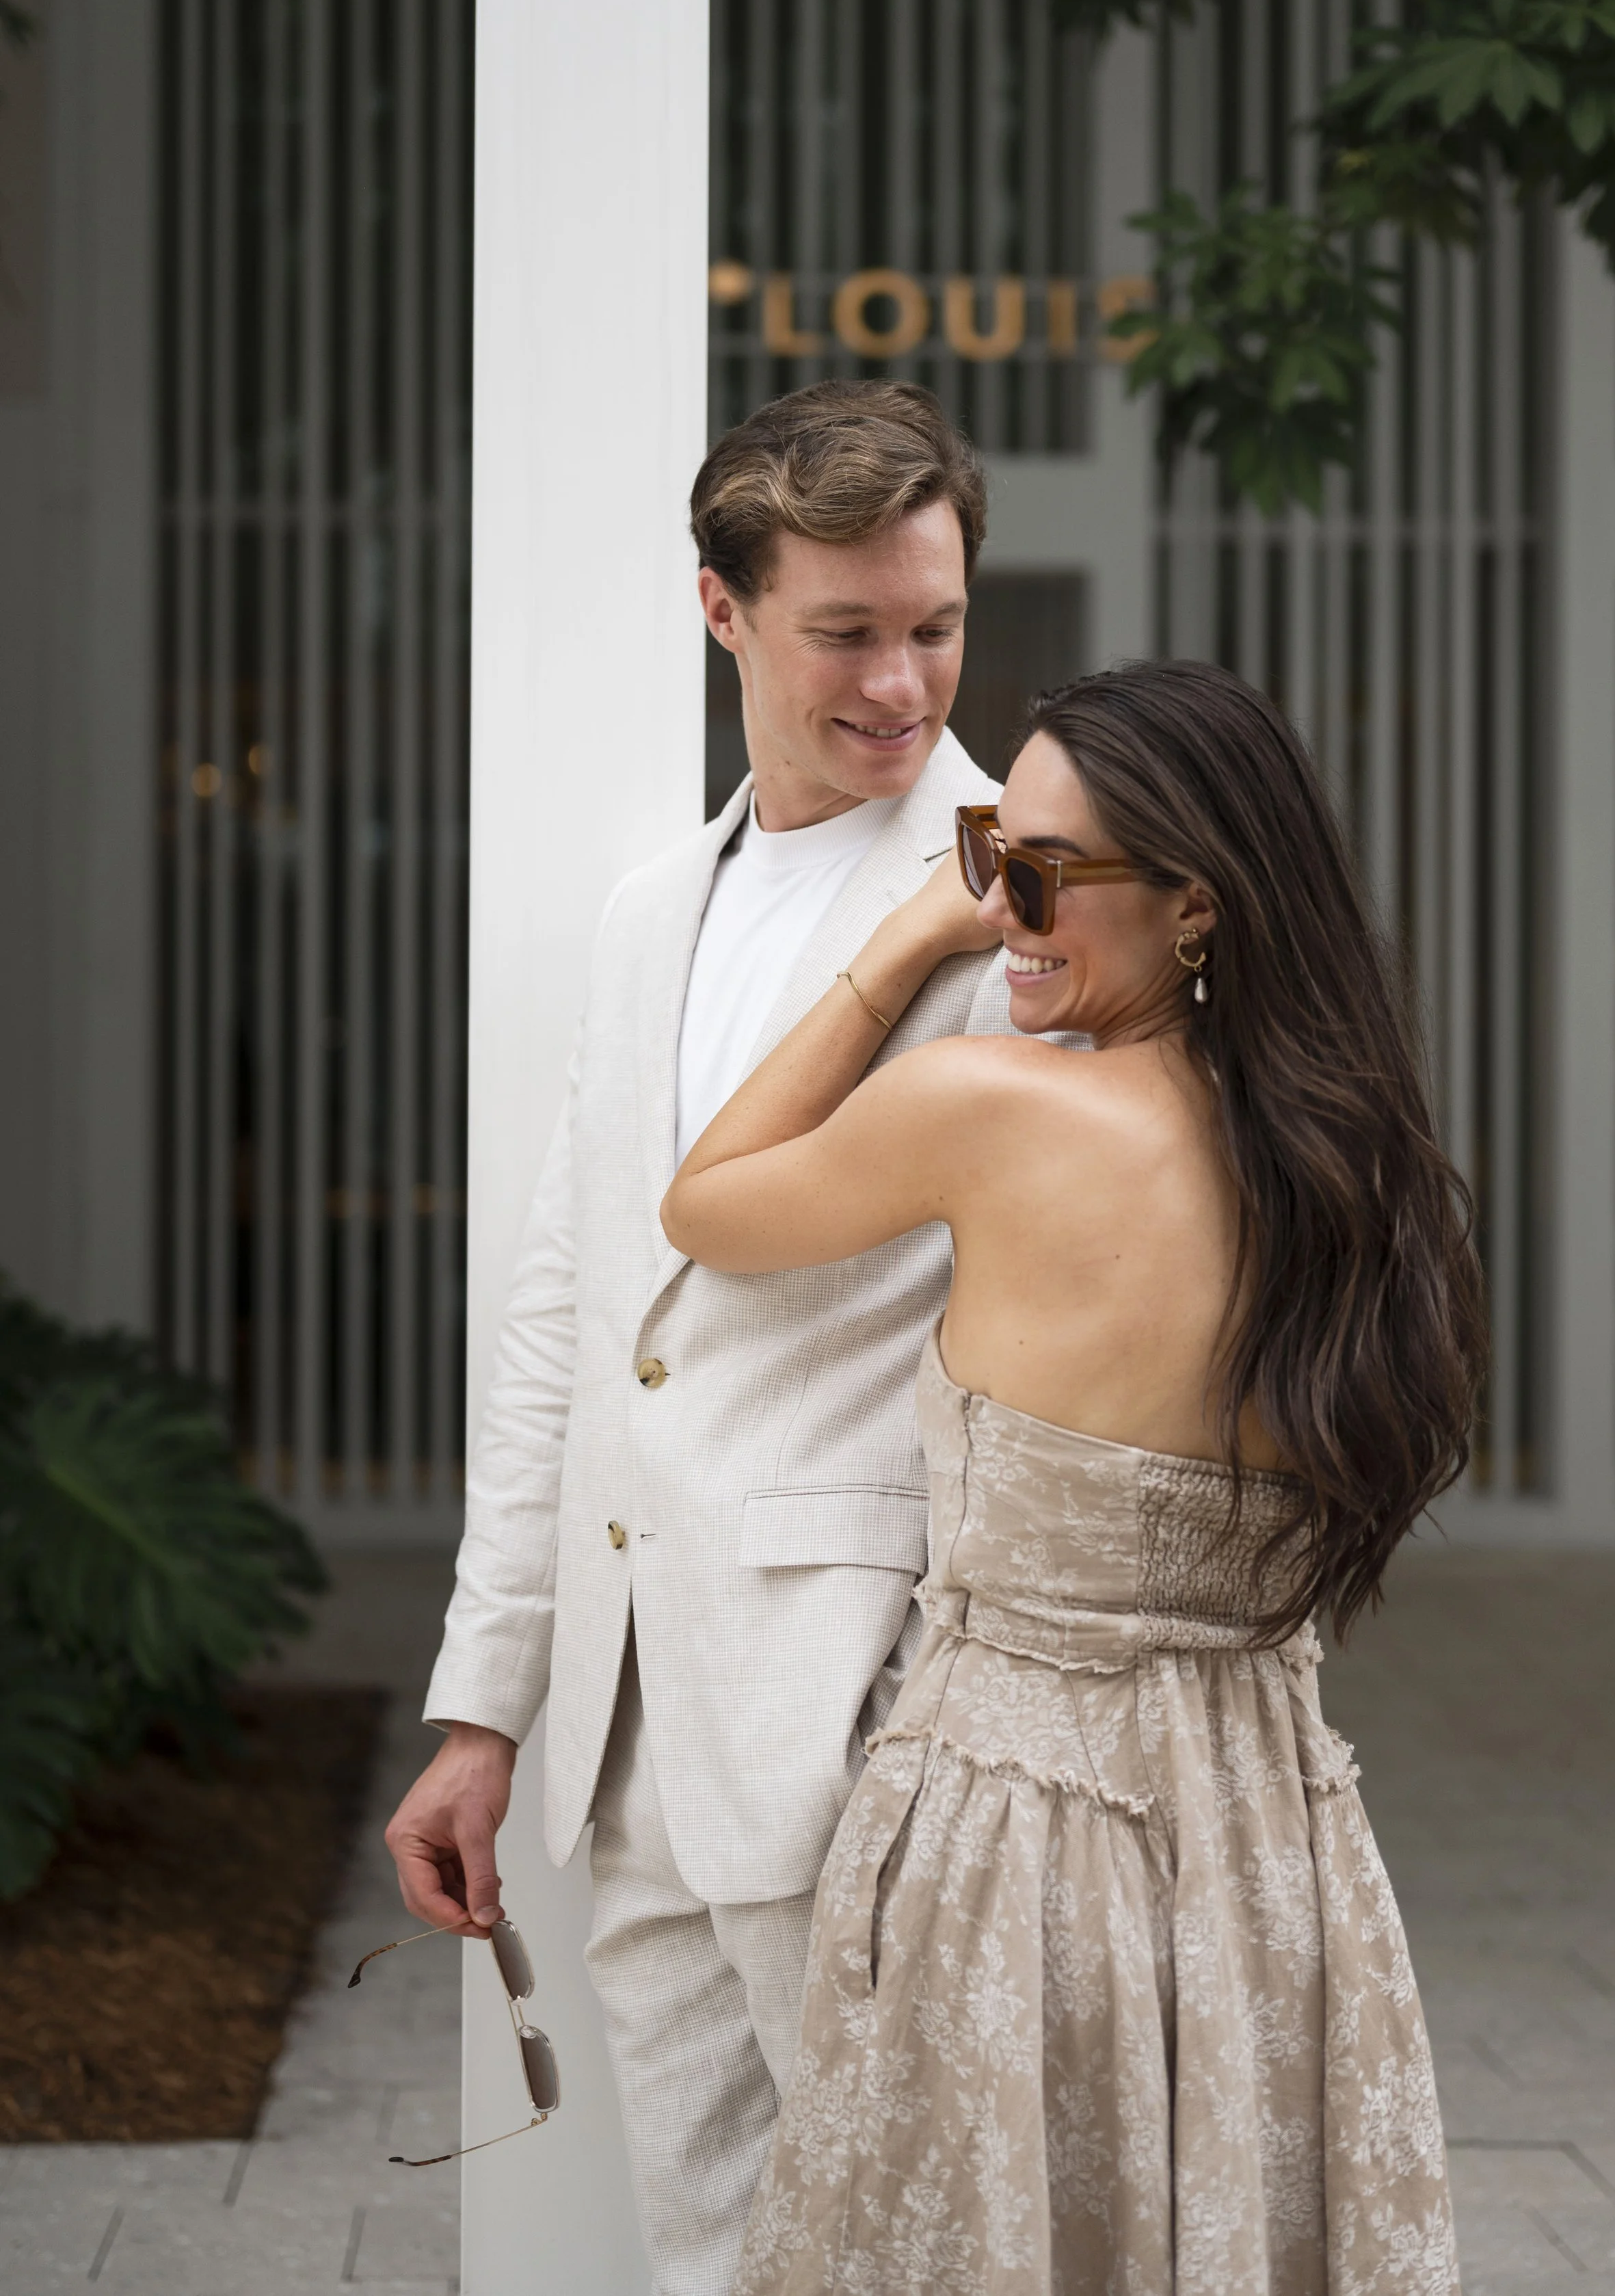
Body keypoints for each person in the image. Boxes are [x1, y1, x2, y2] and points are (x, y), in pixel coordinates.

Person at [662, 659, 1483, 2296]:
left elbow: (708, 1203)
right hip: (1268, 1835)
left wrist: (897, 942)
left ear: (1196, 905)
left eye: (1036, 872)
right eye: (983, 858)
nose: (997, 906)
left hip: (1013, 1836)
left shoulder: (989, 1107)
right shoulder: (1355, 1167)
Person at [384, 381, 1022, 2295]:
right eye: (846, 629)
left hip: (856, 1721)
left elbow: (1061, 1335)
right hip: (621, 1721)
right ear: (722, 612)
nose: (902, 681)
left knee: (912, 2253)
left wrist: (935, 1705)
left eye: (935, 624)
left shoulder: (1025, 905)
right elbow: (574, 1318)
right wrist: (484, 1700)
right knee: (708, 2258)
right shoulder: (654, 905)